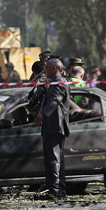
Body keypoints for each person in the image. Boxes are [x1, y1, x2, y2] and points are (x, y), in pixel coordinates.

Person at [34, 58, 70, 200]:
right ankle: (59, 190)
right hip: (53, 125)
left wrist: (41, 115)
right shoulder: (55, 81)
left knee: (53, 160)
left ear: (55, 68)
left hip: (55, 126)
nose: (45, 70)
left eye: (47, 67)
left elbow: (54, 101)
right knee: (56, 159)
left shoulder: (59, 82)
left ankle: (54, 191)